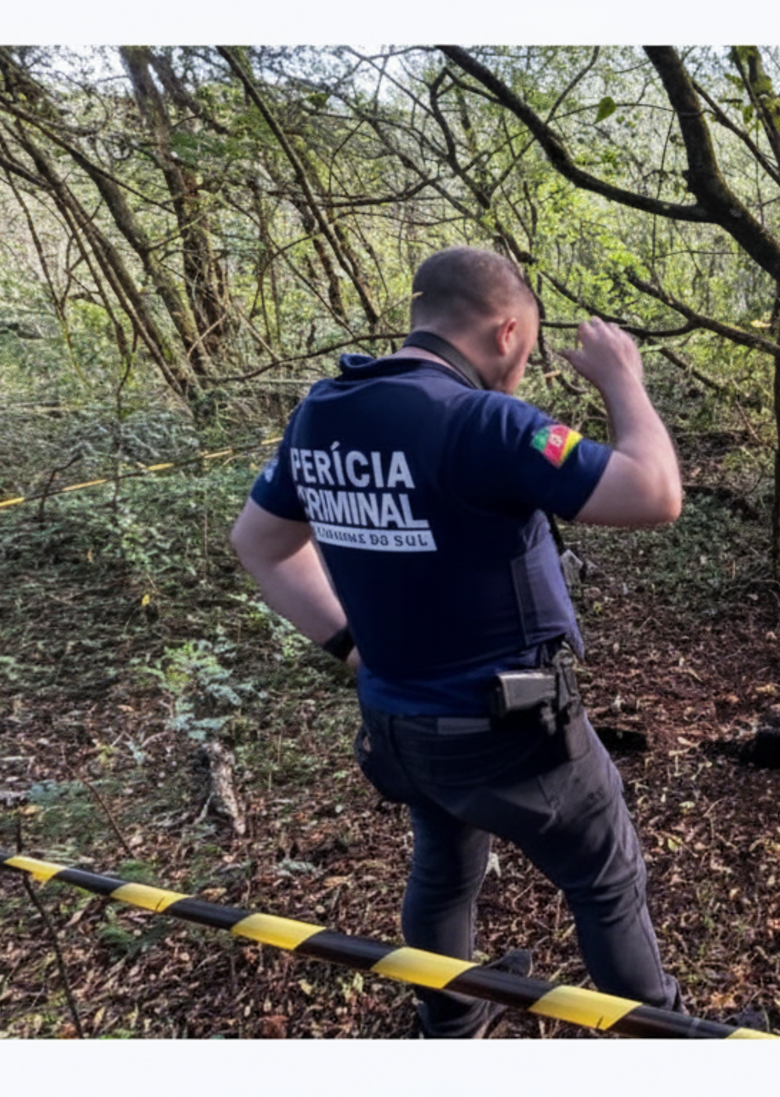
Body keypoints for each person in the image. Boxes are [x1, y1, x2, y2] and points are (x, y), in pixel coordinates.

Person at [230, 246, 685, 1038]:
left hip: (399, 730)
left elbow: (259, 542)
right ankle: (669, 1041)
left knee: (443, 870)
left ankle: (451, 1023)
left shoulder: (323, 413)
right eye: (527, 350)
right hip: (511, 735)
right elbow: (654, 495)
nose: (520, 371)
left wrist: (348, 646)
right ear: (508, 331)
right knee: (607, 877)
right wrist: (622, 381)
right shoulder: (485, 422)